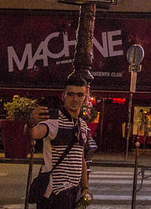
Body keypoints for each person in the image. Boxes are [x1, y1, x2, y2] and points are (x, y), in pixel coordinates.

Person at [26, 75, 91, 209]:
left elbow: (81, 158)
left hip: (73, 193)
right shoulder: (54, 121)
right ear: (63, 96)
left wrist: (84, 187)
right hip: (55, 194)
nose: (75, 99)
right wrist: (31, 122)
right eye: (71, 94)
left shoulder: (82, 125)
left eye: (80, 95)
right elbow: (33, 134)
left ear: (85, 97)